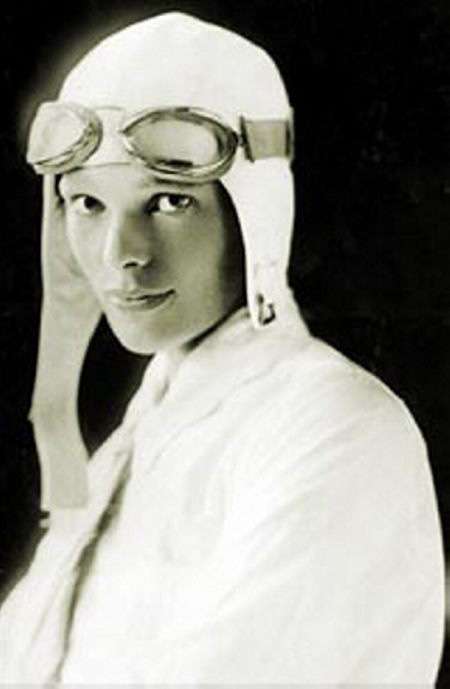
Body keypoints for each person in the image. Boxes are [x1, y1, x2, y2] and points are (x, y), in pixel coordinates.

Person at [0, 11, 445, 685]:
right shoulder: (151, 424)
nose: (121, 254)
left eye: (169, 202)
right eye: (88, 203)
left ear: (254, 211)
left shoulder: (333, 427)